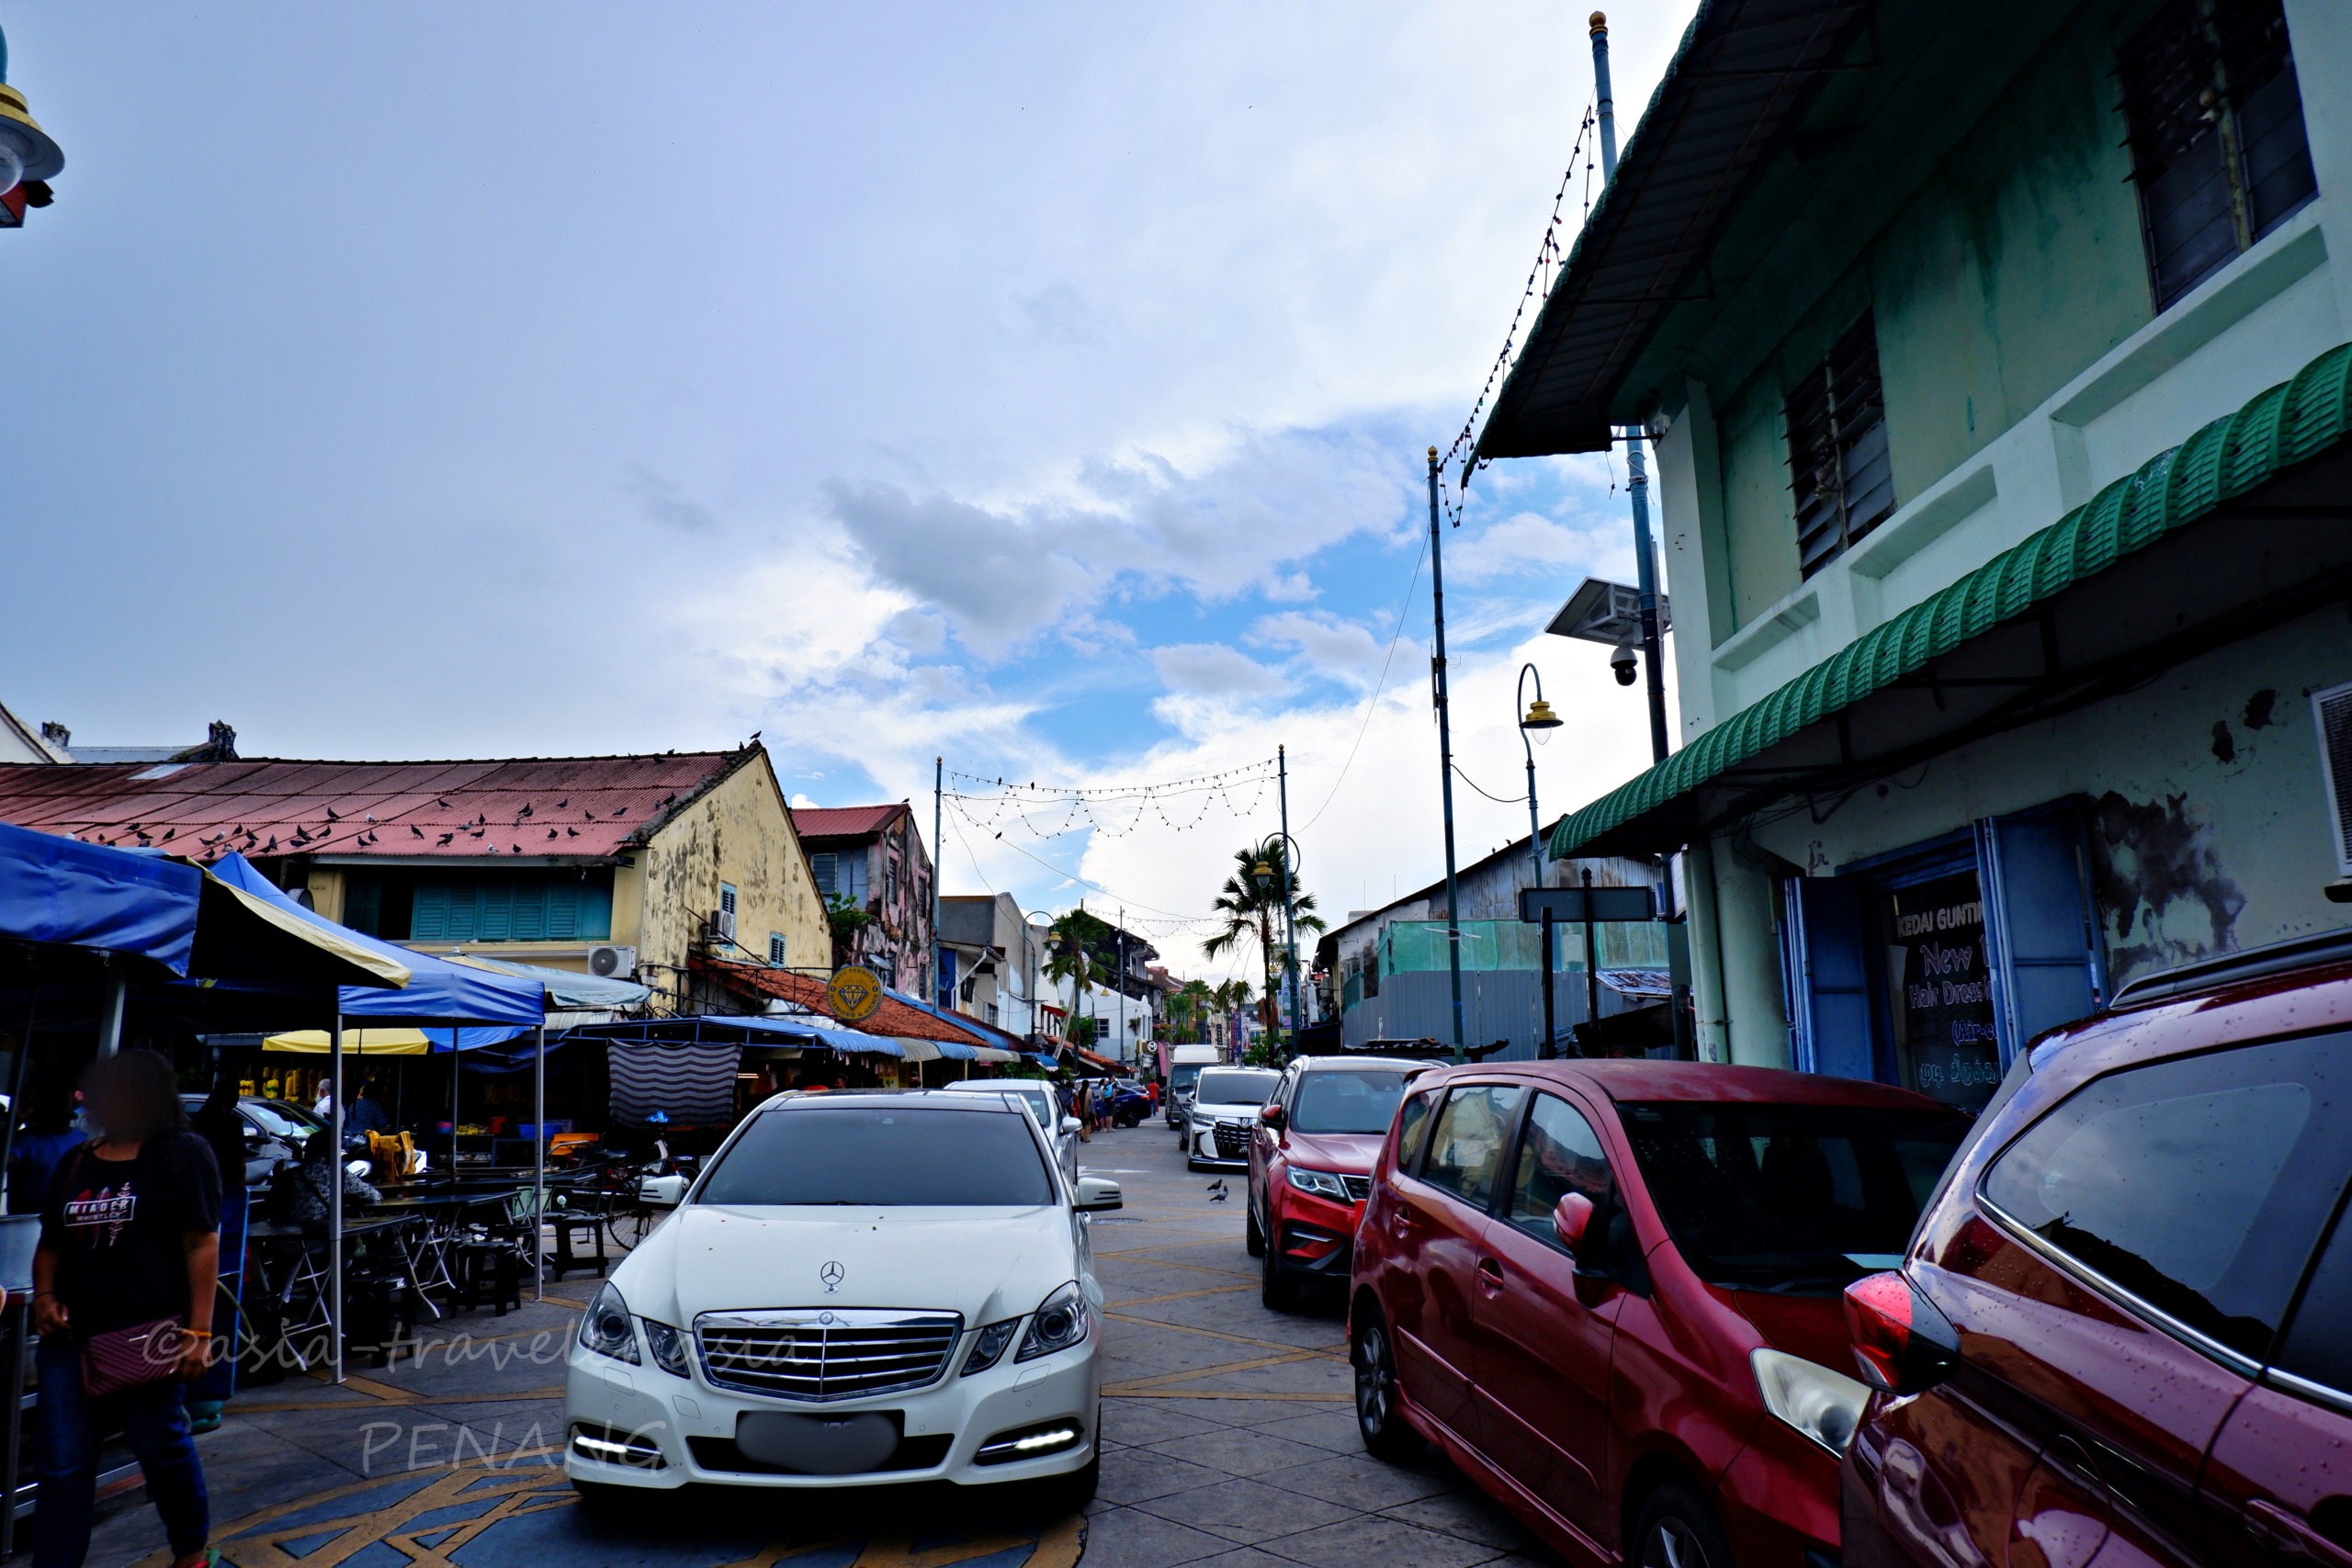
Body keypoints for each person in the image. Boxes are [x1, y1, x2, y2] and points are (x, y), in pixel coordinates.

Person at [32, 1049, 220, 1568]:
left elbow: (201, 1243)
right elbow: (50, 1242)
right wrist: (44, 1297)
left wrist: (199, 1333)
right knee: (64, 1468)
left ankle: (191, 1551)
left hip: (149, 1336)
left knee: (161, 1451)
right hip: (70, 1342)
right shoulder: (77, 1161)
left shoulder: (184, 1153)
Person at [9, 1078, 84, 1216]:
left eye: (64, 1102)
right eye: (56, 1102)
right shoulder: (24, 1139)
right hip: (28, 1222)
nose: (60, 1107)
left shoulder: (83, 1139)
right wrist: (16, 1121)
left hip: (66, 1220)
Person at [282, 1130, 379, 1230]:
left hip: (279, 1239)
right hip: (318, 1238)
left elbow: (270, 1207)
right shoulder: (337, 1174)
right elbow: (374, 1196)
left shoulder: (288, 1175)